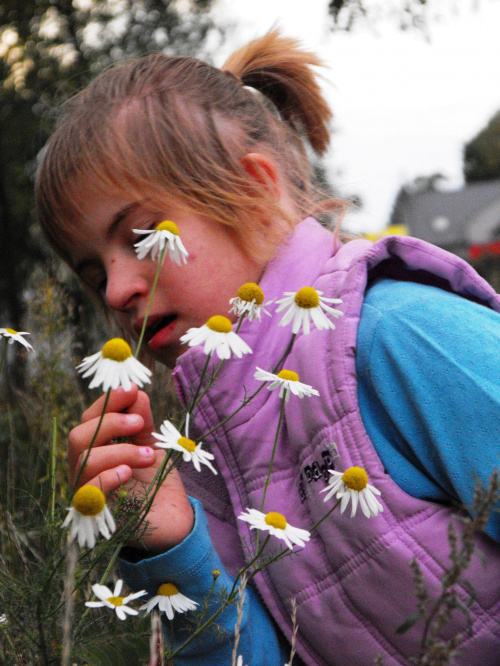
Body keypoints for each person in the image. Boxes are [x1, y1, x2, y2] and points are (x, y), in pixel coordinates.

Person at [35, 30, 500, 666]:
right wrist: (172, 542)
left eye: (143, 238)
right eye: (93, 275)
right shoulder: (203, 449)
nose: (116, 291)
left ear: (253, 190)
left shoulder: (401, 334)